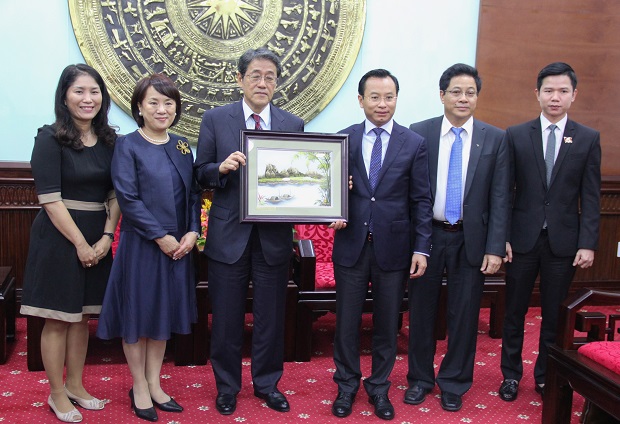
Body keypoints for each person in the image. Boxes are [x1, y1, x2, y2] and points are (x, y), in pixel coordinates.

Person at [193, 47, 304, 415]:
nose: (262, 83)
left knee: (271, 317)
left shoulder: (292, 124)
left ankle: (268, 384)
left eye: (270, 77)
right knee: (225, 317)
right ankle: (227, 387)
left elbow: (302, 177)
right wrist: (220, 169)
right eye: (255, 75)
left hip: (273, 239)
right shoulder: (215, 119)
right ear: (239, 79)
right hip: (229, 237)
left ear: (277, 83)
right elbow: (200, 172)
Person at [329, 68, 433, 421]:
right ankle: (346, 386)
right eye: (374, 97)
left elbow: (421, 200)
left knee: (388, 324)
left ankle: (379, 388)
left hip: (395, 248)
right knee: (346, 323)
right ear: (360, 100)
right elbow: (329, 191)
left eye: (389, 97)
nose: (382, 104)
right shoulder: (342, 139)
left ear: (396, 99)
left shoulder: (414, 143)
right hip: (351, 245)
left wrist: (422, 248)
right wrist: (337, 203)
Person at [96, 74, 200, 422]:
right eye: (154, 102)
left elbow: (193, 195)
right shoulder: (128, 145)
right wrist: (161, 236)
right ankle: (138, 385)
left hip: (179, 248)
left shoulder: (183, 145)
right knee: (138, 317)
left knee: (162, 316)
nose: (162, 109)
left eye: (168, 102)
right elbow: (128, 197)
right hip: (144, 246)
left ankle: (155, 383)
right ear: (139, 106)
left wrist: (191, 232)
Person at [406, 63, 508, 412]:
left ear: (476, 96)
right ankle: (419, 379)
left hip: (471, 239)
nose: (463, 98)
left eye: (470, 92)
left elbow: (500, 197)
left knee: (464, 315)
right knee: (421, 312)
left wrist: (496, 246)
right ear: (442, 95)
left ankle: (454, 382)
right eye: (456, 91)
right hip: (428, 237)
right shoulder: (420, 133)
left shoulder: (495, 138)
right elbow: (409, 192)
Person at [20, 64, 120, 423]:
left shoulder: (111, 140)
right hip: (60, 237)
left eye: (94, 91)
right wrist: (81, 244)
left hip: (98, 234)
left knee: (82, 318)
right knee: (58, 320)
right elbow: (50, 199)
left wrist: (106, 237)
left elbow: (115, 194)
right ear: (64, 96)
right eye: (79, 91)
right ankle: (57, 393)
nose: (87, 99)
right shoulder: (49, 138)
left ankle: (76, 385)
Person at [498, 62, 601, 401]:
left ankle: (546, 375)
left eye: (563, 91)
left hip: (564, 244)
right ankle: (511, 375)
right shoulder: (515, 134)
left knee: (554, 314)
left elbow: (591, 195)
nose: (555, 97)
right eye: (549, 90)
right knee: (514, 311)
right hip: (522, 239)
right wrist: (504, 237)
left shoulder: (587, 138)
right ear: (537, 94)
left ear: (574, 95)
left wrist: (588, 243)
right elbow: (505, 191)